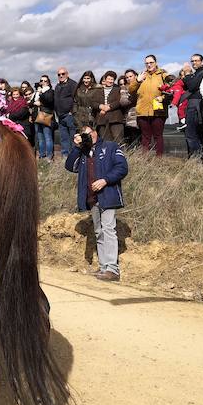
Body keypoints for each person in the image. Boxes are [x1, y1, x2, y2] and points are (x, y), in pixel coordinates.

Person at [65, 125, 128, 281]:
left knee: (108, 229)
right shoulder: (84, 152)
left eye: (86, 134)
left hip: (108, 194)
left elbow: (122, 167)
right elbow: (70, 166)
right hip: (92, 197)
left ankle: (113, 269)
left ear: (94, 133)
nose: (85, 137)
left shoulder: (110, 147)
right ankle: (104, 266)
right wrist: (77, 147)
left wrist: (105, 180)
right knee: (99, 231)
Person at [128, 55, 173, 157]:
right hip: (142, 111)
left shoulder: (163, 74)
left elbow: (171, 88)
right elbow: (130, 90)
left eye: (151, 62)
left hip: (158, 110)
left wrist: (162, 98)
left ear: (156, 63)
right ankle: (145, 160)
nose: (149, 65)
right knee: (145, 136)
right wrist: (138, 80)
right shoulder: (141, 75)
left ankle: (158, 159)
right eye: (147, 63)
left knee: (158, 136)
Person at [182, 54, 203, 159]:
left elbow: (192, 86)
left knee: (191, 133)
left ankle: (196, 159)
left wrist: (187, 74)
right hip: (195, 105)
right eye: (192, 61)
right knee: (197, 135)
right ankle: (200, 160)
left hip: (196, 105)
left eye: (197, 60)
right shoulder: (196, 73)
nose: (194, 63)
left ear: (202, 61)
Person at [89, 71, 124, 142]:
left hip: (115, 119)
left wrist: (110, 107)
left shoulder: (118, 90)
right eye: (108, 79)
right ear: (105, 79)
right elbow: (92, 102)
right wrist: (100, 106)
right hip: (102, 120)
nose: (110, 81)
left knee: (118, 140)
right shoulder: (98, 91)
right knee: (105, 141)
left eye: (112, 79)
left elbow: (120, 101)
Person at [54, 67, 78, 157]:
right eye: (59, 74)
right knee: (63, 138)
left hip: (69, 115)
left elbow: (76, 99)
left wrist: (72, 111)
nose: (61, 76)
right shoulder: (57, 86)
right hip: (60, 116)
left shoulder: (73, 84)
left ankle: (73, 156)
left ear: (67, 74)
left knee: (73, 137)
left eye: (63, 74)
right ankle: (65, 156)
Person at [33, 74, 56, 160]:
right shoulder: (37, 92)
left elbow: (49, 100)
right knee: (40, 138)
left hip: (46, 115)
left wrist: (41, 94)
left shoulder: (50, 91)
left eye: (45, 81)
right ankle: (42, 155)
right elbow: (32, 102)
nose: (43, 82)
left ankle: (49, 156)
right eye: (41, 81)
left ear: (48, 82)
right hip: (37, 116)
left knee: (47, 137)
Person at [120, 70, 140, 148]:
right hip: (131, 118)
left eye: (130, 76)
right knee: (133, 140)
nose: (128, 78)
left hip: (144, 115)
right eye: (127, 77)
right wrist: (134, 96)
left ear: (135, 76)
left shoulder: (143, 85)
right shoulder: (124, 88)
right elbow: (123, 102)